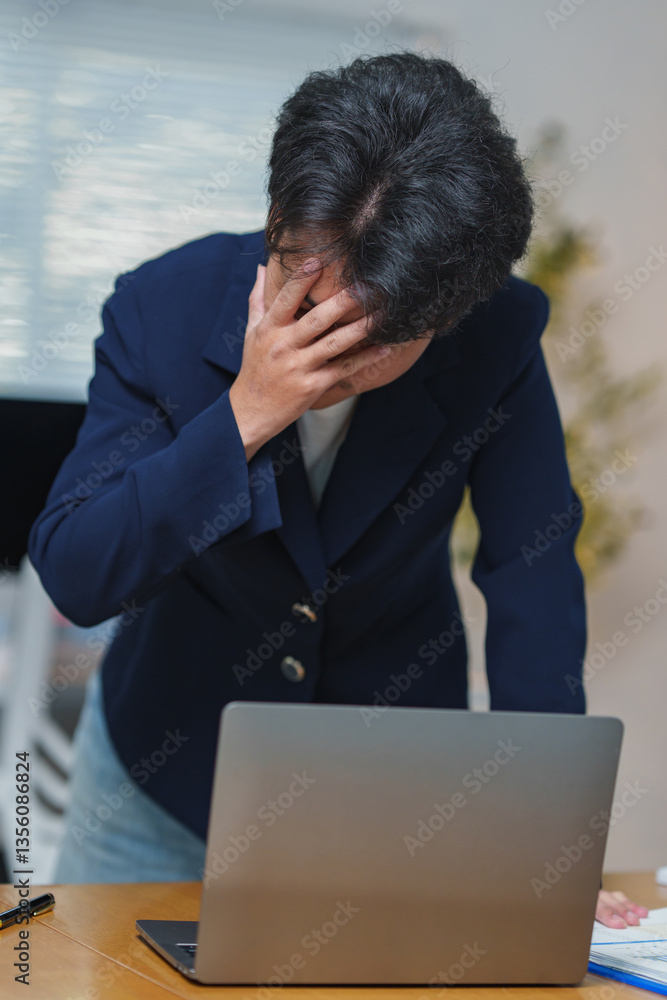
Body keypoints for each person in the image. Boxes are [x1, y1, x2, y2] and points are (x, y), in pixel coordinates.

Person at [29, 51, 645, 928]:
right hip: (162, 766)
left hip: (382, 774)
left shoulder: (498, 333)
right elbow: (78, 572)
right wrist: (244, 414)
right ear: (275, 219)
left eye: (366, 340)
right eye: (302, 287)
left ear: (447, 316)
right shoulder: (161, 307)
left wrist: (549, 836)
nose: (322, 341)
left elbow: (530, 573)